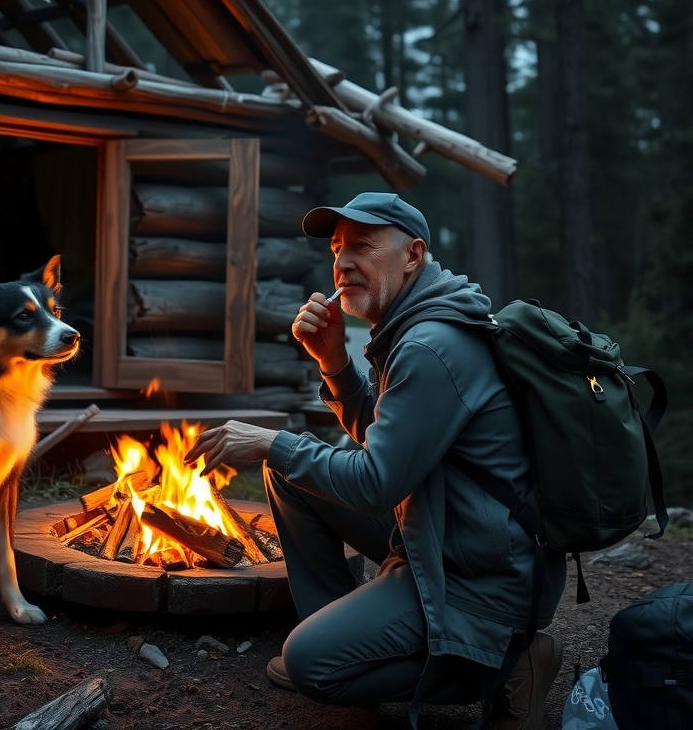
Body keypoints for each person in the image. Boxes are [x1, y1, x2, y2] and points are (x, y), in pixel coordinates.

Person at [185, 192, 566, 730]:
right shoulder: (415, 322)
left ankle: (506, 667)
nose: (342, 262)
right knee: (291, 478)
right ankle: (346, 637)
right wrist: (334, 362)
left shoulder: (431, 345)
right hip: (443, 531)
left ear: (412, 255)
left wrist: (273, 441)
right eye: (338, 248)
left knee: (309, 664)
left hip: (480, 578)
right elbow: (392, 446)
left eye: (363, 245)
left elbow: (375, 483)